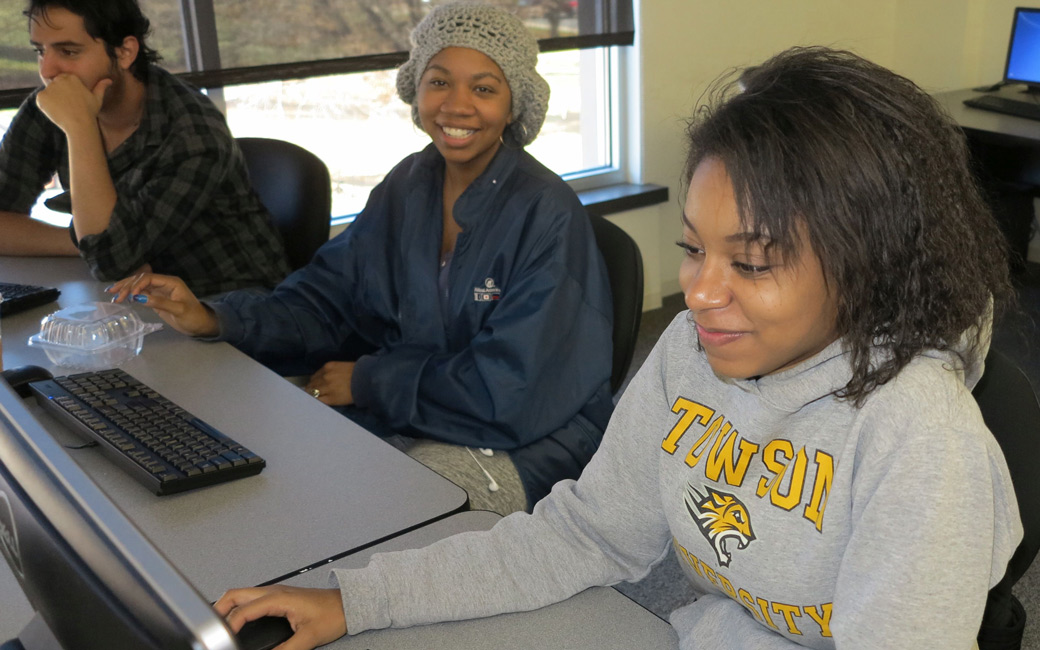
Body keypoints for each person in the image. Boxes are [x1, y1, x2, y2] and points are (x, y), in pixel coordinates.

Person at [210, 47, 1023, 650]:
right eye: (693, 248)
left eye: (751, 263)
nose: (699, 293)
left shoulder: (922, 440)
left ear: (867, 264)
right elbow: (586, 535)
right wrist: (357, 602)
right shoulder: (693, 351)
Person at [108, 3, 616, 515]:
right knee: (263, 458)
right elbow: (324, 298)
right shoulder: (408, 185)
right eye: (439, 82)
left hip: (529, 439)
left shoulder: (546, 213)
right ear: (416, 89)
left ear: (513, 105)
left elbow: (513, 391)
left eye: (483, 88)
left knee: (395, 516)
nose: (456, 105)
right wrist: (215, 315)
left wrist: (370, 380)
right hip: (417, 409)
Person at [0, 0, 290, 296]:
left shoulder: (192, 134)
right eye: (40, 51)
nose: (47, 70)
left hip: (231, 308)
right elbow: (101, 253)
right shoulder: (51, 106)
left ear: (125, 52)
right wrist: (80, 243)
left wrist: (80, 128)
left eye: (69, 51)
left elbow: (110, 262)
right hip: (132, 300)